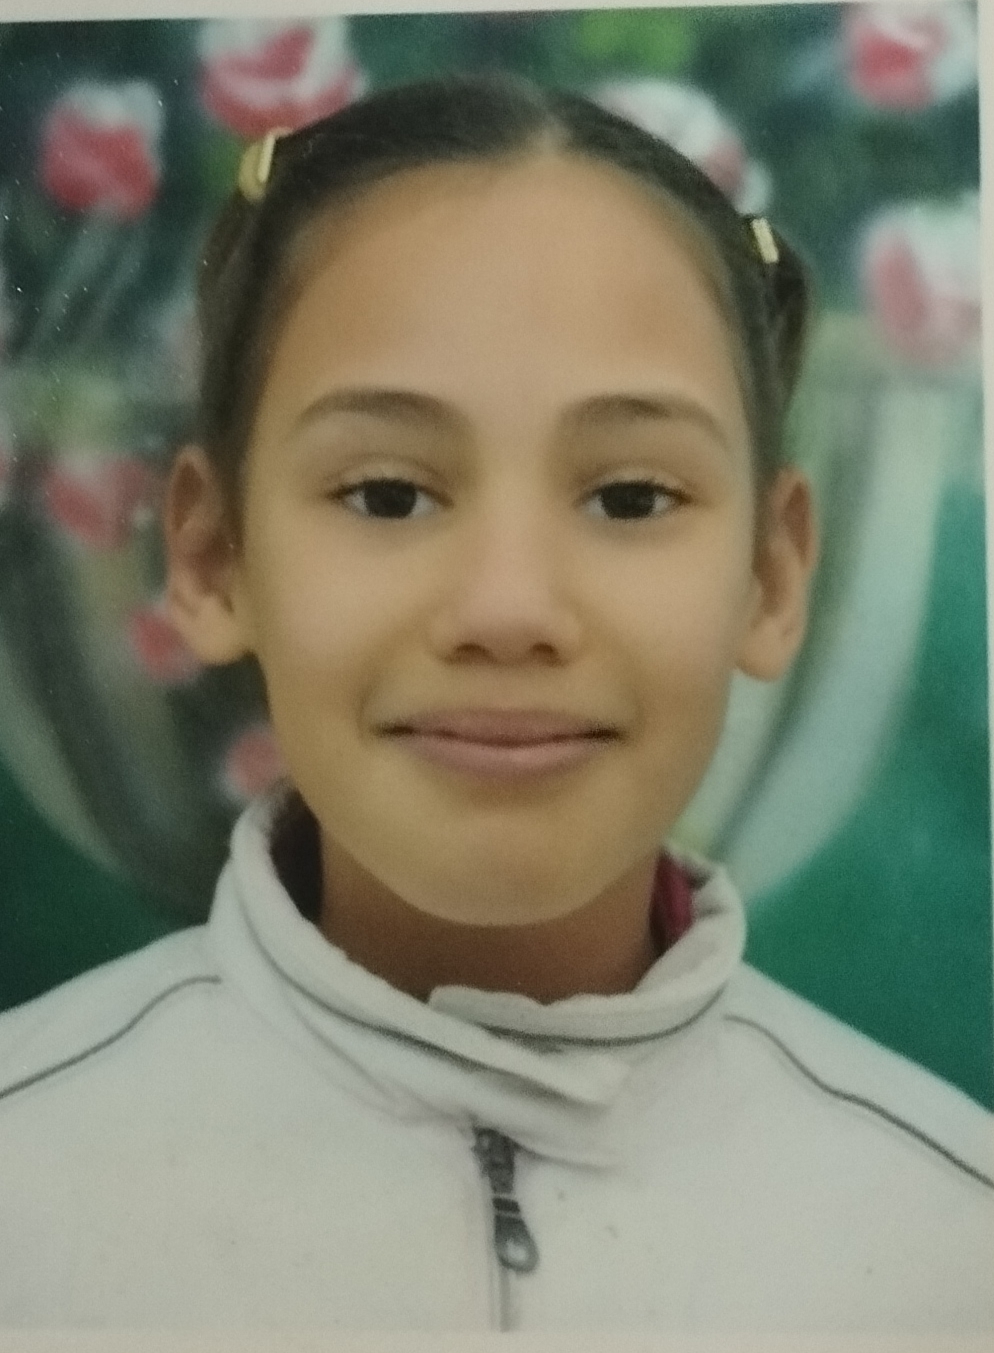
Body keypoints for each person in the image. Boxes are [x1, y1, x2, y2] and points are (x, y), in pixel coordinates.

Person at [0, 74, 991, 1332]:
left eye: (630, 497)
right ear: (210, 560)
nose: (508, 607)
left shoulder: (947, 1236)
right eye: (387, 494)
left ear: (771, 572)